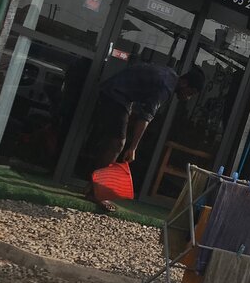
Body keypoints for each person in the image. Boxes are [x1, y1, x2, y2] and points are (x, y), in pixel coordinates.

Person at [82, 63, 204, 206]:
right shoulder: (166, 87)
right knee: (117, 144)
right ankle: (95, 193)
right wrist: (133, 148)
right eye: (190, 93)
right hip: (116, 94)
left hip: (115, 92)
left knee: (111, 142)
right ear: (184, 82)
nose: (188, 98)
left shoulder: (169, 73)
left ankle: (91, 187)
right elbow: (145, 117)